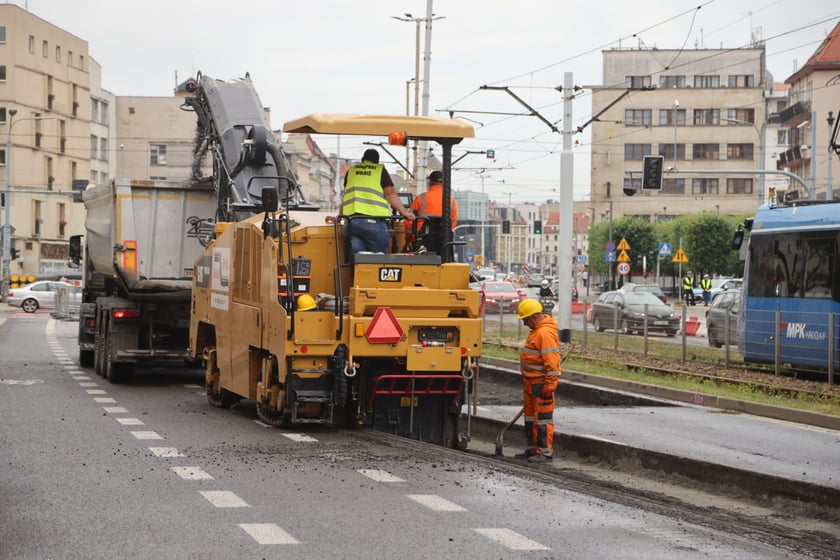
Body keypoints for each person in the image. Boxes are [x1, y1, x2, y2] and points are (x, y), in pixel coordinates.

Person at [342, 149, 414, 253]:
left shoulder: (351, 171)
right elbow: (390, 193)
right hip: (372, 222)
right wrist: (405, 213)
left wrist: (340, 217)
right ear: (377, 161)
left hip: (350, 222)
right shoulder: (379, 170)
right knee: (377, 259)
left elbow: (347, 196)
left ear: (363, 160)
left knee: (358, 258)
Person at [515, 298, 561, 463]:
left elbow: (552, 364)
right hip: (531, 383)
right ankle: (533, 449)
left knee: (542, 419)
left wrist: (549, 386)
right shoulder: (536, 331)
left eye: (525, 319)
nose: (525, 323)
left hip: (541, 385)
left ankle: (544, 452)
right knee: (531, 418)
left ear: (534, 317)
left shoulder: (544, 333)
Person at [405, 170, 458, 252]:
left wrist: (409, 237)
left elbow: (409, 222)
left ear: (430, 182)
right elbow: (452, 224)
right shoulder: (452, 201)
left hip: (421, 240)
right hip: (444, 243)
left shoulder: (421, 198)